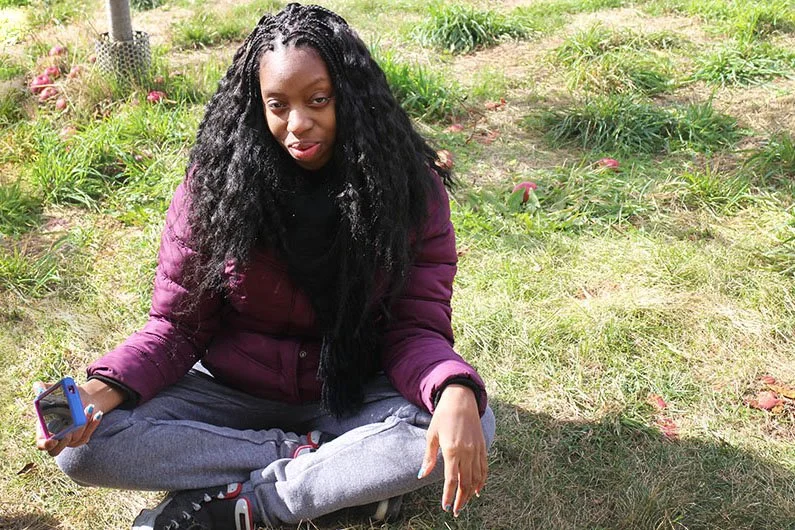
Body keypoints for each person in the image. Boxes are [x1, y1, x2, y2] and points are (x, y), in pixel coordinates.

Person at [33, 3, 496, 529]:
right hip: (231, 396)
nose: (298, 124)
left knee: (471, 417)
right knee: (86, 450)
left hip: (348, 393)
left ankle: (251, 506)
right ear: (257, 104)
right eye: (278, 105)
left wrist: (452, 388)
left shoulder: (410, 191)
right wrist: (103, 389)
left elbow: (414, 328)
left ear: (351, 94)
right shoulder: (214, 189)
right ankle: (331, 470)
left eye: (318, 100)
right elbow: (178, 327)